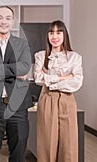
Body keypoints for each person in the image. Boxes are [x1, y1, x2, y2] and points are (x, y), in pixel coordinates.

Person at [0, 6, 33, 162]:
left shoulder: (22, 44)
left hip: (18, 105)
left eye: (7, 18)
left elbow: (24, 67)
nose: (3, 21)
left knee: (18, 152)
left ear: (13, 22)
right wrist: (14, 71)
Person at [33, 20, 83, 162]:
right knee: (47, 143)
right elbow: (38, 78)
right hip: (47, 99)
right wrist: (64, 77)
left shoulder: (75, 57)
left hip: (67, 99)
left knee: (69, 144)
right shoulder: (40, 56)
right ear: (47, 36)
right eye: (51, 32)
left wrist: (51, 80)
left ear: (64, 35)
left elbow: (76, 82)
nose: (55, 36)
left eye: (58, 32)